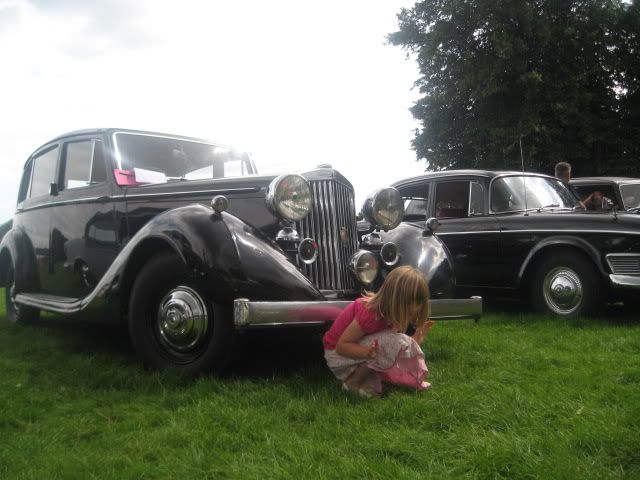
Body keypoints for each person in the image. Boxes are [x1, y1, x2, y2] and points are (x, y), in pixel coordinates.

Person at [323, 265, 435, 398]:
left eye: (419, 302)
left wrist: (414, 341)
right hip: (337, 355)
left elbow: (395, 350)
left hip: (356, 353)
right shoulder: (371, 314)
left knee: (393, 343)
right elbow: (341, 346)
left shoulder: (391, 315)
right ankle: (352, 383)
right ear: (395, 299)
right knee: (393, 341)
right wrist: (367, 353)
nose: (416, 308)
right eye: (411, 302)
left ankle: (366, 379)